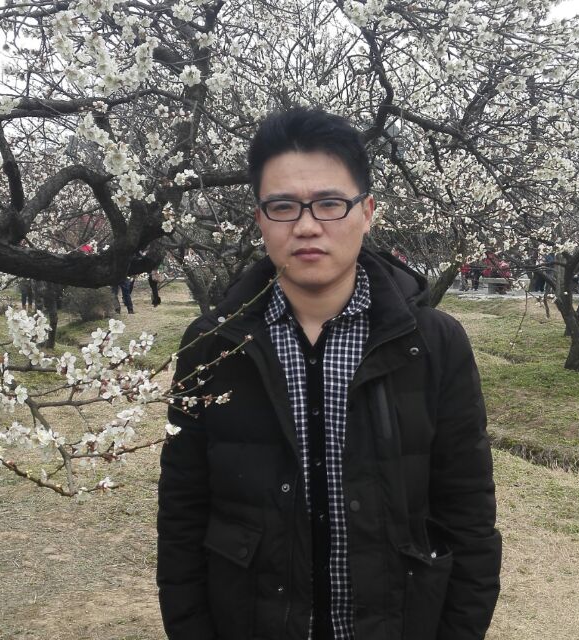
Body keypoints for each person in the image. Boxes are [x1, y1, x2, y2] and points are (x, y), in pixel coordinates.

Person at [157, 109, 501, 640]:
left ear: (367, 212)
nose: (307, 226)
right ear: (260, 219)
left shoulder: (433, 344)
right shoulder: (213, 346)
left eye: (329, 203)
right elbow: (182, 514)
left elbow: (469, 515)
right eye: (283, 207)